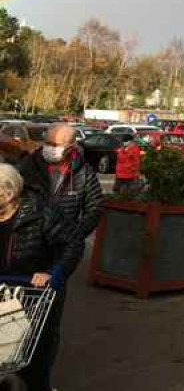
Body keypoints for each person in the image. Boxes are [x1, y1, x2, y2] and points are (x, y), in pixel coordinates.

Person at [0, 163, 83, 390]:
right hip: (3, 291)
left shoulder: (41, 212)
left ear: (8, 193)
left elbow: (72, 244)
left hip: (35, 292)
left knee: (34, 352)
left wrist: (53, 273)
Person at [18, 124, 105, 241]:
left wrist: (75, 235)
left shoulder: (83, 171)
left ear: (71, 147)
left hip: (63, 245)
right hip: (28, 242)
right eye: (47, 143)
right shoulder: (28, 165)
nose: (50, 148)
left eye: (56, 145)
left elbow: (95, 208)